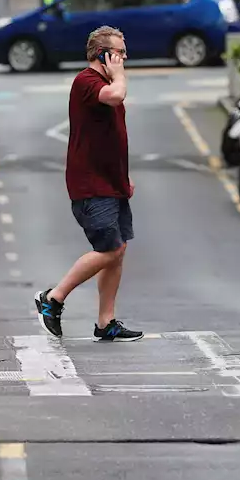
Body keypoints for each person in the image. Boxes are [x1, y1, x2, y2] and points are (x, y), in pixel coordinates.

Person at [35, 26, 143, 343]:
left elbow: (108, 138)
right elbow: (116, 95)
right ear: (103, 55)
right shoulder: (88, 82)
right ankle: (53, 299)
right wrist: (119, 75)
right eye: (119, 53)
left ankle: (106, 321)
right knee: (109, 250)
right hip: (91, 186)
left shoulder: (105, 83)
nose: (124, 58)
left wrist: (124, 177)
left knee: (118, 250)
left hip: (111, 184)